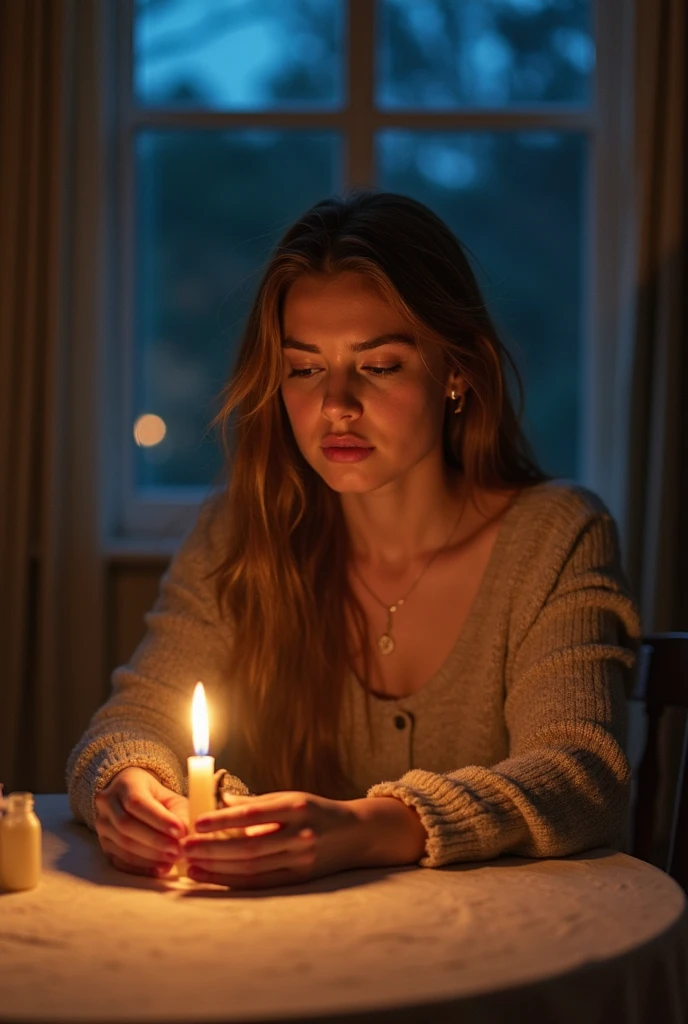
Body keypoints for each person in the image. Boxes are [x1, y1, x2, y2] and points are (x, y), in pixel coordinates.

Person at [66, 189, 641, 890]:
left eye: (379, 364)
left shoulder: (555, 536)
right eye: (305, 368)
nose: (336, 404)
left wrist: (371, 827)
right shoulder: (242, 534)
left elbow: (582, 773)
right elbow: (127, 724)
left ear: (456, 370)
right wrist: (128, 783)